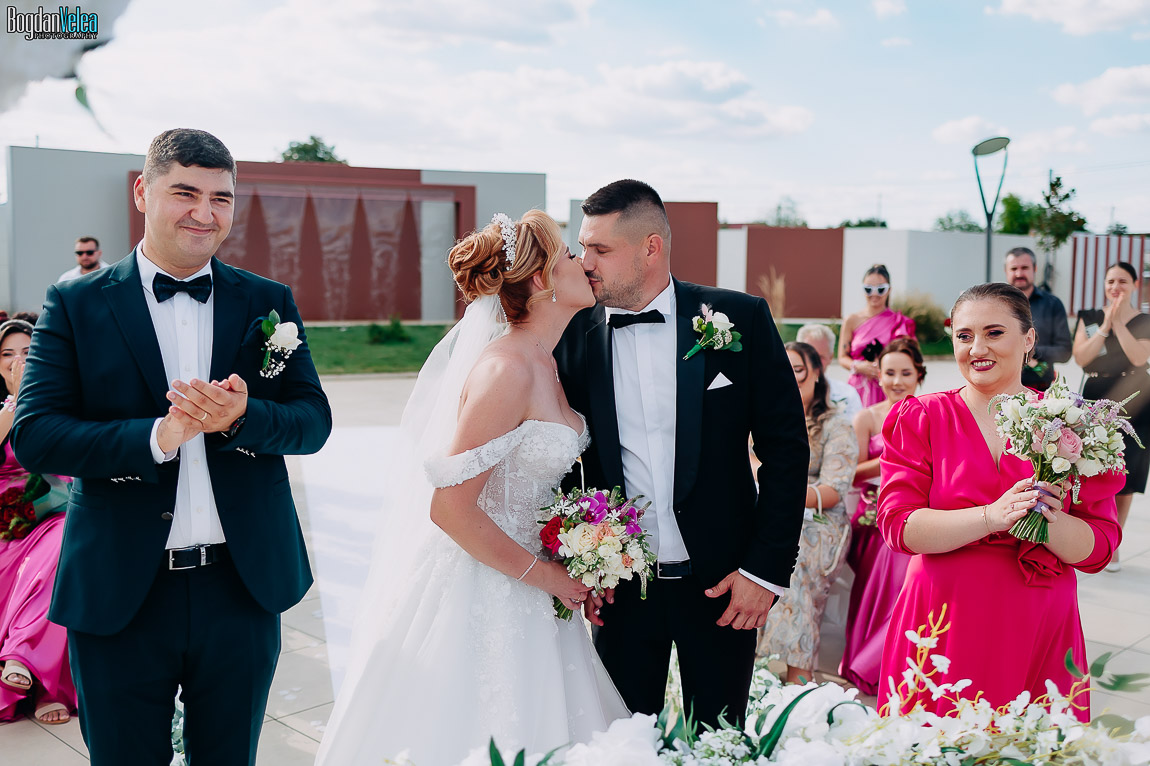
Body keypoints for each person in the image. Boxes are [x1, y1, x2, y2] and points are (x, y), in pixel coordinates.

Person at [12, 129, 332, 766]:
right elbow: (36, 434)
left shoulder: (267, 301)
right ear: (142, 192)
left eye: (221, 198)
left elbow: (312, 422)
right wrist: (155, 437)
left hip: (241, 586)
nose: (204, 213)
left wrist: (244, 417)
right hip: (120, 590)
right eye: (185, 192)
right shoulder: (74, 303)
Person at [317, 210, 627, 765]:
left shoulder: (545, 362)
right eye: (570, 255)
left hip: (532, 582)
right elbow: (450, 508)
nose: (584, 263)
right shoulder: (506, 370)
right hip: (485, 588)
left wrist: (578, 555)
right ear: (542, 280)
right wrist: (547, 576)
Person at [555, 180, 808, 728]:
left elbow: (787, 451)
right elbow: (564, 463)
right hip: (620, 591)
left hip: (725, 586)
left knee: (719, 744)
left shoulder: (739, 318)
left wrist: (764, 571)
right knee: (623, 748)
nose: (585, 262)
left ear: (651, 247)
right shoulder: (570, 334)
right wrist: (582, 564)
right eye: (583, 246)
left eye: (600, 249)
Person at [878, 282, 1121, 720]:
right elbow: (898, 526)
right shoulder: (923, 417)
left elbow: (1099, 547)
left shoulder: (1075, 427)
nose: (977, 349)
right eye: (964, 335)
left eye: (994, 333)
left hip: (1035, 621)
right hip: (940, 617)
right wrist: (991, 516)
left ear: (1028, 339)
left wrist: (1048, 520)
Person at [756, 341, 856, 684]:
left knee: (789, 566)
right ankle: (747, 679)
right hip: (764, 512)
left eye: (797, 370)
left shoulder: (836, 425)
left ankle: (798, 685)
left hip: (819, 521)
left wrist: (780, 494)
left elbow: (833, 490)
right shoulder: (761, 419)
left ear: (816, 372)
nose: (788, 377)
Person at [0, 318, 76, 725]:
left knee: (64, 547)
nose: (18, 360)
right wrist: (17, 398)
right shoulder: (5, 409)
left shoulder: (61, 403)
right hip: (7, 521)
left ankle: (31, 666)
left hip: (56, 512)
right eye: (8, 353)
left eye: (28, 352)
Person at [838, 335, 924, 694]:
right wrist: (891, 459)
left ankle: (896, 662)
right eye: (889, 373)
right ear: (879, 376)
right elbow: (851, 474)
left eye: (905, 373)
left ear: (919, 375)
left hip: (917, 512)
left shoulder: (930, 413)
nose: (897, 381)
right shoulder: (867, 418)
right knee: (891, 554)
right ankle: (869, 661)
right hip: (872, 514)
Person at [1072, 260, 1150, 573]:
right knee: (1090, 466)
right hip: (1095, 394)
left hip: (1136, 397)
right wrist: (1105, 325)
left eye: (1122, 281)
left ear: (1134, 285)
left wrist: (1119, 323)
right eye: (1110, 282)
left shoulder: (1144, 320)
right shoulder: (1090, 317)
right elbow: (1081, 357)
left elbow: (1139, 357)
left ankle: (1114, 544)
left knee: (1128, 473)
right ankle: (1090, 534)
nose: (1115, 287)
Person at [837, 264, 916, 408]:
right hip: (858, 386)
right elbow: (842, 357)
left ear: (889, 290)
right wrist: (859, 366)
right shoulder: (851, 320)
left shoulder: (899, 322)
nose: (874, 294)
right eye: (868, 289)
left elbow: (910, 358)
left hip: (887, 386)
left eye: (880, 289)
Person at [1005, 247, 1072, 392]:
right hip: (1000, 388)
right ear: (1006, 271)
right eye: (1014, 268)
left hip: (1040, 390)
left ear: (1034, 269)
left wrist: (1030, 350)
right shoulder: (996, 305)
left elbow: (1065, 352)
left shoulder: (1053, 304)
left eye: (1024, 268)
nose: (1019, 274)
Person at [797, 323, 862, 420]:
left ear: (830, 357)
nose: (814, 363)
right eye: (810, 357)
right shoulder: (784, 392)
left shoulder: (847, 394)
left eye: (820, 357)